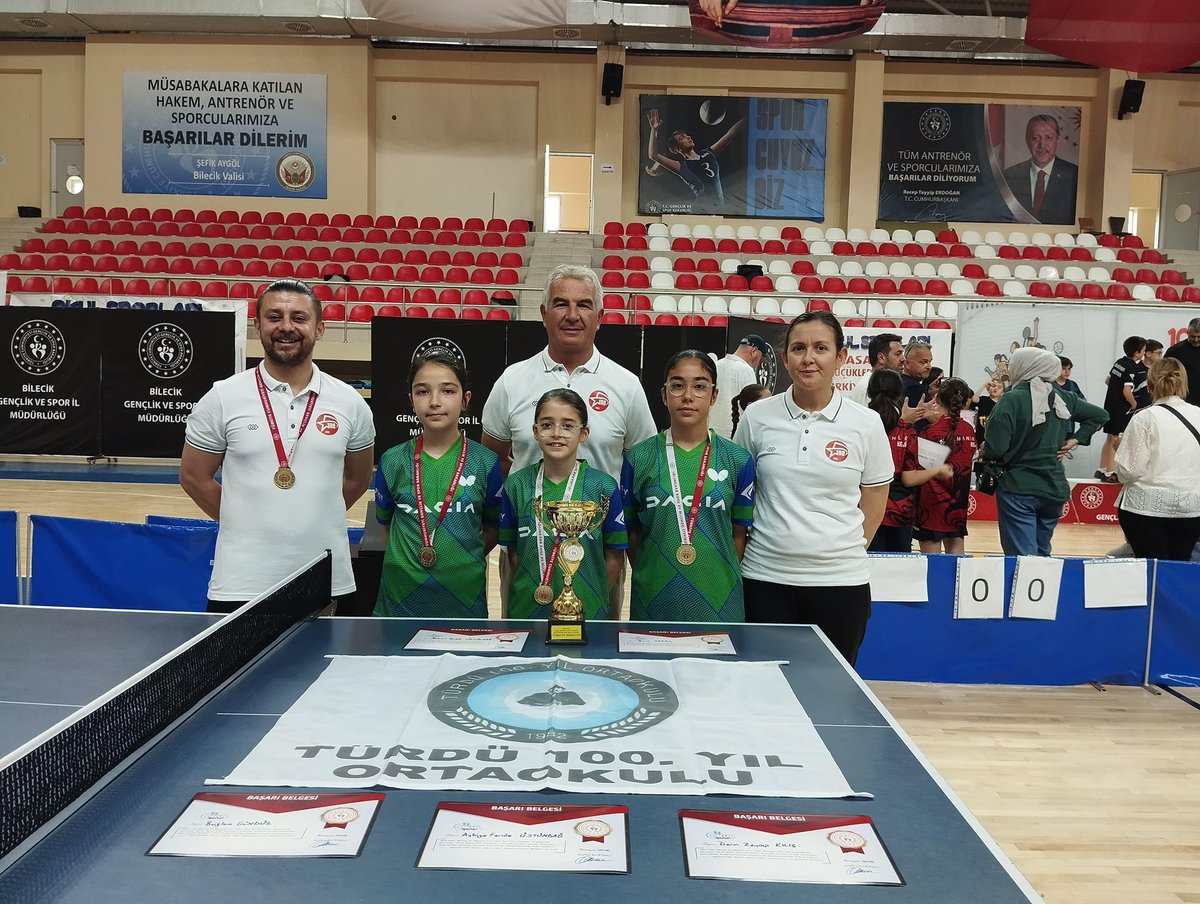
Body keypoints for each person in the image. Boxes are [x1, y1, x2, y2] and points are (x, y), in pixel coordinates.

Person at [181, 278, 375, 613]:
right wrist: (245, 521)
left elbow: (358, 479)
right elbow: (193, 477)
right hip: (240, 582)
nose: (286, 327)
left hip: (327, 581)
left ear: (319, 329)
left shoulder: (350, 403)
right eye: (274, 317)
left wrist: (311, 517)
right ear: (258, 326)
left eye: (299, 318)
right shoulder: (222, 397)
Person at [482, 263, 656, 608]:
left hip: (601, 553)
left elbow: (643, 469)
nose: (573, 315)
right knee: (523, 636)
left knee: (595, 639)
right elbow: (494, 460)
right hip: (525, 549)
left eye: (584, 305)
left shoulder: (626, 385)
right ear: (544, 314)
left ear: (600, 317)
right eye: (561, 304)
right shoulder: (512, 380)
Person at [734, 311, 893, 665]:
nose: (808, 358)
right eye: (798, 348)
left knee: (832, 688)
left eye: (820, 348)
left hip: (841, 584)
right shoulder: (757, 417)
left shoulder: (866, 424)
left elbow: (874, 502)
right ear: (785, 358)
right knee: (765, 685)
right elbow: (742, 493)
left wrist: (834, 552)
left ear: (840, 357)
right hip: (765, 578)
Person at [622, 351, 755, 621]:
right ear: (664, 395)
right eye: (677, 385)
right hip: (654, 596)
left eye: (700, 386)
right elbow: (632, 531)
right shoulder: (638, 457)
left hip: (719, 598)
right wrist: (650, 569)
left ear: (714, 395)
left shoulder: (738, 459)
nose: (687, 396)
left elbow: (738, 533)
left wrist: (718, 570)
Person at [372, 349, 503, 618]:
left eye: (447, 391)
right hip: (400, 599)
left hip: (464, 598)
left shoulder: (486, 463)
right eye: (422, 391)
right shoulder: (392, 460)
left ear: (465, 400)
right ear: (411, 400)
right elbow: (385, 526)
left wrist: (461, 557)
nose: (434, 401)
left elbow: (492, 529)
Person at [499, 389, 627, 620]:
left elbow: (615, 556)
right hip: (528, 610)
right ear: (535, 431)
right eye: (547, 425)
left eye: (568, 426)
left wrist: (593, 596)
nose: (557, 433)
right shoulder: (516, 485)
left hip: (587, 612)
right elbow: (514, 553)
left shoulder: (604, 487)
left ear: (584, 433)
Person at [982, 347, 1108, 557]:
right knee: (1042, 555)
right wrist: (1075, 439)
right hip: (1054, 486)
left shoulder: (1011, 399)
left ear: (1024, 367)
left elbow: (996, 449)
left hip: (1018, 486)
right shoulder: (1063, 397)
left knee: (1023, 558)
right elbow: (1100, 415)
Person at [1114, 358, 1200, 561]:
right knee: (1177, 568)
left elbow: (1128, 471)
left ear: (1150, 383)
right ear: (1184, 381)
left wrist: (1119, 449)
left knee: (1151, 568)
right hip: (1191, 508)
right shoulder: (1198, 414)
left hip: (1145, 508)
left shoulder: (1144, 418)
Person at [865, 368, 953, 554]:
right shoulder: (906, 431)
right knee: (899, 569)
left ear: (870, 392)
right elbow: (909, 478)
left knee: (869, 565)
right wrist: (937, 470)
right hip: (899, 513)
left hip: (865, 509)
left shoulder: (861, 424)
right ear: (900, 393)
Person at [914, 378, 979, 555]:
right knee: (957, 564)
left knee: (932, 565)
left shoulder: (929, 432)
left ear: (937, 399)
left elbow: (919, 471)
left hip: (931, 507)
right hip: (957, 505)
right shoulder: (969, 430)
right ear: (965, 402)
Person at [646, 106, 745, 213]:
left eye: (686, 135)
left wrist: (748, 116)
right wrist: (654, 130)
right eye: (682, 137)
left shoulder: (708, 153)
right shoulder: (682, 167)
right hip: (702, 211)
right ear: (676, 149)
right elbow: (653, 155)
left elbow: (731, 133)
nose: (688, 137)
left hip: (718, 210)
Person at [1001, 113, 1079, 225]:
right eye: (1036, 138)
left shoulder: (1074, 176)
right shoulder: (1008, 176)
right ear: (1027, 141)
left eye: (1048, 138)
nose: (1042, 145)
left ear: (1057, 141)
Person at [1097, 336, 1146, 483]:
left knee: (1110, 437)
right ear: (1137, 353)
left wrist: (1115, 390)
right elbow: (1126, 391)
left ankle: (1102, 469)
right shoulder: (1132, 368)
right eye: (1143, 350)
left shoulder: (1119, 362)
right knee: (1115, 438)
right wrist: (1134, 404)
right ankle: (1110, 471)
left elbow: (1108, 380)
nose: (1144, 353)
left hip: (1109, 404)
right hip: (1120, 408)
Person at [712, 334, 768, 438]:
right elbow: (752, 408)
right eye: (761, 358)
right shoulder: (746, 370)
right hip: (733, 434)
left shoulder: (715, 365)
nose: (759, 363)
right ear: (754, 351)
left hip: (710, 431)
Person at [848, 331, 903, 406]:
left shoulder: (879, 383)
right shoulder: (868, 386)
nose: (903, 359)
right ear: (881, 358)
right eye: (898, 354)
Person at [1164, 317, 1200, 406]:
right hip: (1184, 398)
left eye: (1199, 337)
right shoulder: (1175, 350)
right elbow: (1164, 373)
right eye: (1192, 336)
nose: (1196, 340)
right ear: (1187, 332)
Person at [1134, 340, 1163, 410]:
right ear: (1148, 354)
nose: (1161, 356)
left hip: (1156, 408)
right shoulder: (1135, 369)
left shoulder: (1162, 370)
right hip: (1139, 408)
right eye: (1159, 353)